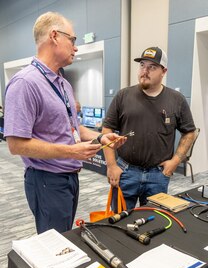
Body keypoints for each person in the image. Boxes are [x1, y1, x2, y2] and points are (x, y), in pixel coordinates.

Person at [3, 12, 126, 234]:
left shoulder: (63, 83)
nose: (76, 47)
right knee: (55, 243)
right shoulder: (25, 83)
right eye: (73, 40)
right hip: (46, 180)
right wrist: (71, 152)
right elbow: (16, 144)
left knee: (66, 235)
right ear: (54, 36)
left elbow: (73, 127)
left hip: (69, 177)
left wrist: (100, 138)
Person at [102, 46, 196, 209]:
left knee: (155, 221)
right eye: (142, 65)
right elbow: (107, 130)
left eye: (152, 67)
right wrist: (111, 165)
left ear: (163, 71)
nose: (144, 71)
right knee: (119, 222)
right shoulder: (123, 96)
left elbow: (190, 132)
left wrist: (175, 161)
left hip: (158, 175)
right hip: (125, 172)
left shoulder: (177, 100)